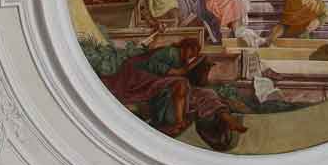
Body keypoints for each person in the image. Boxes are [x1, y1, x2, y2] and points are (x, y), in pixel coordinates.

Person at [97, 38, 247, 149]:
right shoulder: (171, 52)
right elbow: (152, 64)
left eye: (194, 54)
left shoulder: (182, 60)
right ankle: (179, 121)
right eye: (192, 51)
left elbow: (187, 77)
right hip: (144, 80)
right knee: (181, 83)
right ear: (185, 47)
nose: (191, 55)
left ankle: (225, 117)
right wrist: (177, 70)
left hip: (163, 83)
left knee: (206, 93)